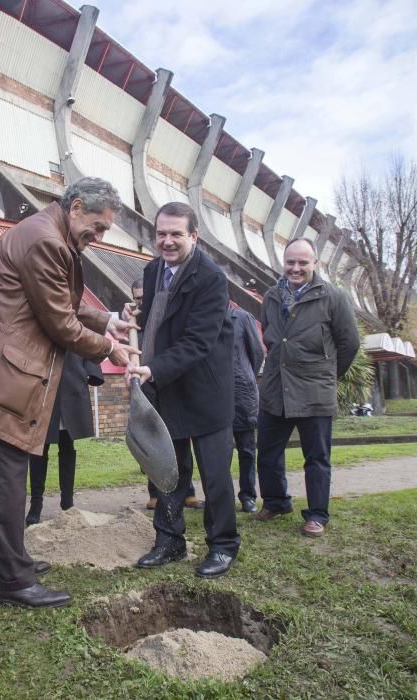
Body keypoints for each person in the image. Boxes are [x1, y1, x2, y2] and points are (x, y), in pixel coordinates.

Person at [0, 177, 137, 609]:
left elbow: (56, 302)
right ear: (77, 206)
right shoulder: (47, 241)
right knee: (8, 479)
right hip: (4, 378)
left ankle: (3, 560)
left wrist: (105, 321)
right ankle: (12, 581)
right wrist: (111, 349)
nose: (99, 238)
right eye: (98, 227)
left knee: (0, 478)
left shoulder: (44, 232)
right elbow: (60, 323)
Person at [130, 201, 240, 579]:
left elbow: (198, 341)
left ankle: (223, 546)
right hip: (166, 391)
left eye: (177, 234)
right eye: (161, 233)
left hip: (205, 393)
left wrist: (152, 368)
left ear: (193, 236)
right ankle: (169, 542)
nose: (168, 241)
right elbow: (161, 320)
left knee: (215, 476)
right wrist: (137, 316)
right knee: (167, 473)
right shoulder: (151, 270)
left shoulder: (211, 277)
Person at [252, 238, 360, 537]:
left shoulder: (333, 297)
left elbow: (349, 342)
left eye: (302, 262)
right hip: (275, 389)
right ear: (283, 263)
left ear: (314, 264)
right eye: (290, 262)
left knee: (316, 457)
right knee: (268, 452)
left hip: (314, 390)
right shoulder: (272, 296)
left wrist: (327, 376)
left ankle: (317, 515)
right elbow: (271, 337)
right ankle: (275, 502)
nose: (296, 268)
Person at [124, 279, 203, 512]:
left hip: (168, 384)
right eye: (136, 297)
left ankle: (187, 491)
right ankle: (156, 493)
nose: (139, 301)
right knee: (150, 439)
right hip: (146, 390)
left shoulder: (163, 317)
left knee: (179, 439)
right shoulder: (132, 322)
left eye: (142, 296)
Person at [25, 352, 103, 526]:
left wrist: (88, 370)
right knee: (39, 450)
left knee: (67, 447)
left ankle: (67, 503)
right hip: (43, 389)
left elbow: (86, 338)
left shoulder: (80, 323)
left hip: (71, 386)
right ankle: (35, 505)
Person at [232, 305, 265, 513]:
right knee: (218, 452)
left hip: (242, 394)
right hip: (216, 397)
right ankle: (221, 498)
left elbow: (257, 353)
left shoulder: (243, 317)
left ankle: (248, 496)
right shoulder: (203, 315)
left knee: (246, 450)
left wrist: (246, 375)